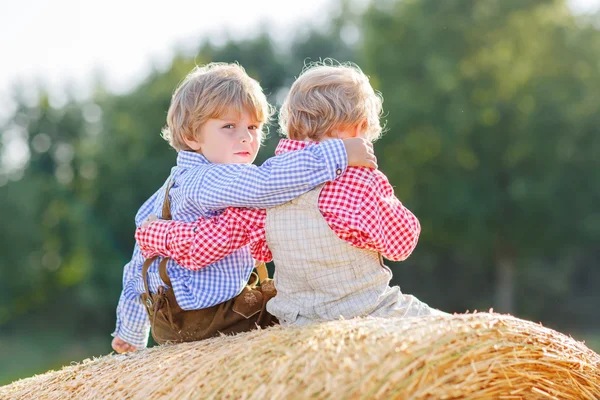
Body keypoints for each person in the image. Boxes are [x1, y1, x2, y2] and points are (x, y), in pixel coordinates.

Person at [135, 62, 441, 329]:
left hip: (298, 320)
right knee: (456, 336)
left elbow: (227, 246)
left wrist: (156, 235)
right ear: (359, 127)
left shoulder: (267, 184)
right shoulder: (358, 181)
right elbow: (401, 243)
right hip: (369, 310)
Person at [111, 62, 377, 353]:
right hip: (212, 314)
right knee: (303, 302)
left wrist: (132, 330)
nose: (246, 138)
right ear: (191, 137)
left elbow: (137, 267)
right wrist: (339, 153)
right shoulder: (211, 178)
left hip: (174, 320)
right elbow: (268, 183)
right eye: (229, 126)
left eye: (253, 127)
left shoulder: (169, 190)